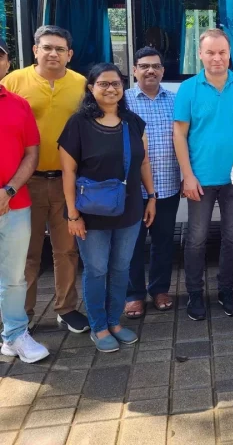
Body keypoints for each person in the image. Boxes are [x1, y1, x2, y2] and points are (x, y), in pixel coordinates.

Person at [58, 63, 156, 352]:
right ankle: (99, 326)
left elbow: (144, 162)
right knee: (97, 269)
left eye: (116, 83)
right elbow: (68, 173)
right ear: (91, 88)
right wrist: (72, 214)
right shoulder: (78, 124)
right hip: (91, 212)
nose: (111, 89)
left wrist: (152, 196)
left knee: (121, 267)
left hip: (129, 209)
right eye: (103, 83)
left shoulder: (133, 122)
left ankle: (114, 321)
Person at [1, 25, 89, 333]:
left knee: (67, 249)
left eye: (60, 49)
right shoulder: (14, 81)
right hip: (27, 183)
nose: (53, 53)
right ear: (35, 50)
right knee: (27, 252)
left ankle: (66, 308)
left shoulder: (81, 84)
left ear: (70, 54)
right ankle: (21, 313)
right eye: (47, 47)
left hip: (68, 181)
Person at [174, 28, 233, 322]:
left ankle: (226, 290)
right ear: (200, 54)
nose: (217, 58)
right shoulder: (188, 88)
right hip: (200, 178)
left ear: (229, 53)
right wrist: (187, 175)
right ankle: (195, 293)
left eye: (222, 52)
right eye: (210, 52)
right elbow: (179, 134)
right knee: (196, 238)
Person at [0, 38, 50, 363]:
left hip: (15, 204)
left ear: (7, 63)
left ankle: (14, 335)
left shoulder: (19, 105)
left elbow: (32, 153)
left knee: (14, 277)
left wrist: (8, 191)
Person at [124, 47, 180, 317]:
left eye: (156, 66)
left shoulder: (176, 100)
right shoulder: (122, 100)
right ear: (134, 70)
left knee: (163, 242)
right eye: (144, 66)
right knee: (132, 244)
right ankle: (134, 295)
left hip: (167, 184)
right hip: (132, 189)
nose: (150, 71)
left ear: (163, 71)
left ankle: (159, 289)